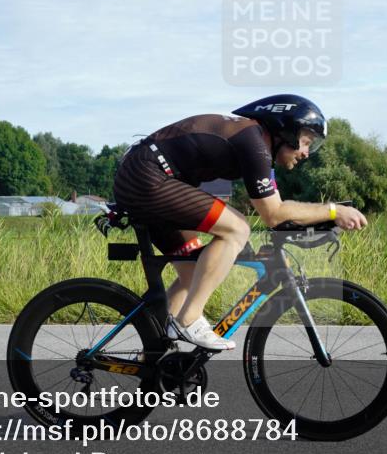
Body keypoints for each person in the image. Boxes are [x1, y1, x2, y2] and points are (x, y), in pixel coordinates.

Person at [111, 94, 368, 351]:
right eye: (306, 142)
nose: (306, 153)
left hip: (145, 177)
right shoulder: (252, 142)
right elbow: (274, 214)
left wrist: (319, 220)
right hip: (146, 178)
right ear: (286, 131)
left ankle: (156, 357)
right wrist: (333, 211)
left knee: (193, 275)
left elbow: (278, 214)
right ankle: (188, 322)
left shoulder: (256, 146)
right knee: (237, 228)